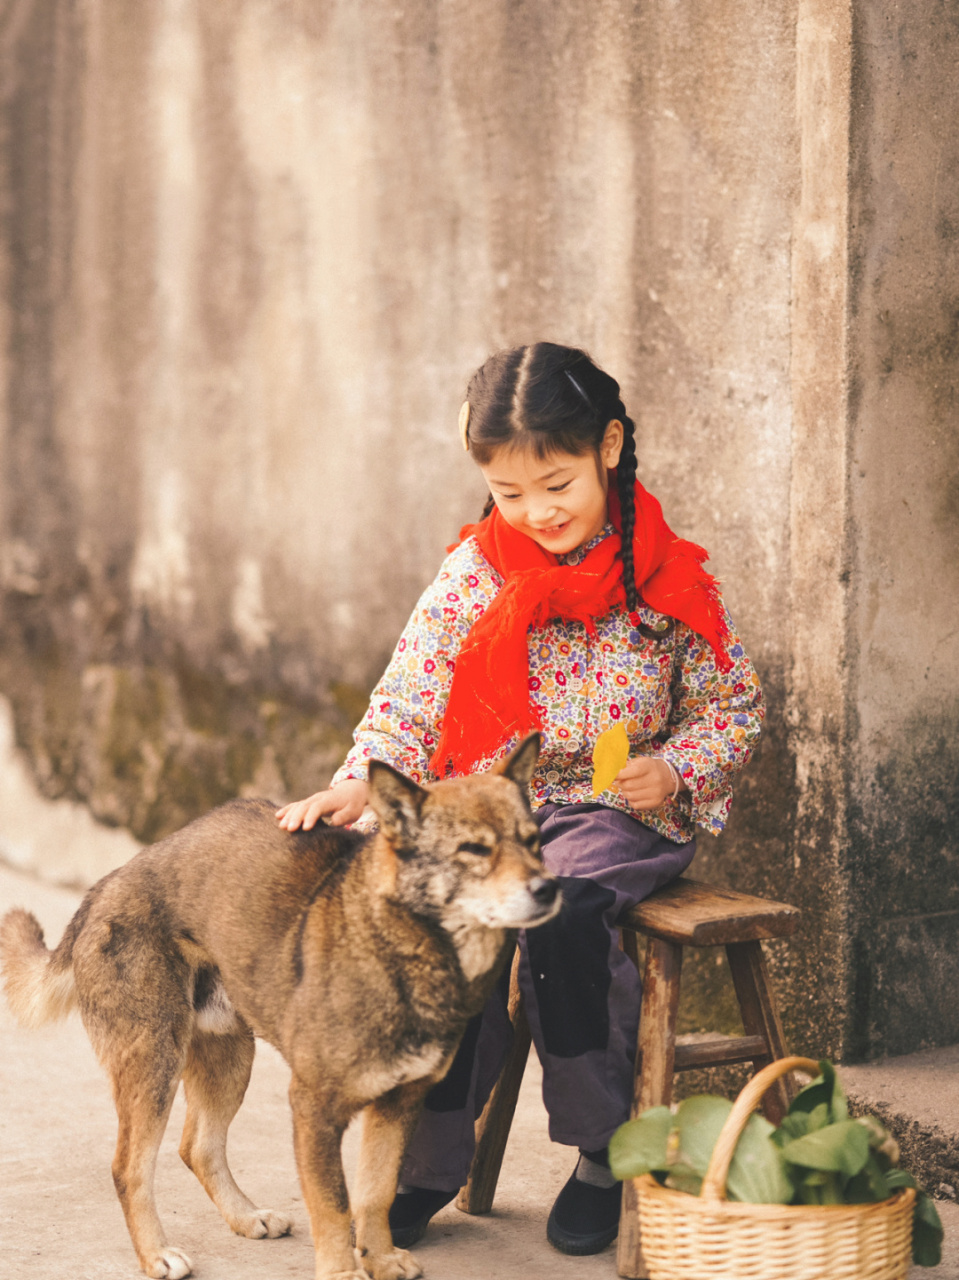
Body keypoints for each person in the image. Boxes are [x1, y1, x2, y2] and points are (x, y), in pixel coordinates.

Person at [276, 341, 764, 1257]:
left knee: (558, 908)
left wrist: (681, 769)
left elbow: (733, 706)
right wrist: (361, 775)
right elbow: (411, 693)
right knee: (451, 924)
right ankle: (425, 1164)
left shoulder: (666, 581)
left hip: (619, 816)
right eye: (509, 493)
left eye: (557, 484)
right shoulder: (472, 576)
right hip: (497, 812)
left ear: (608, 447)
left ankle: (597, 1148)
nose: (535, 513)